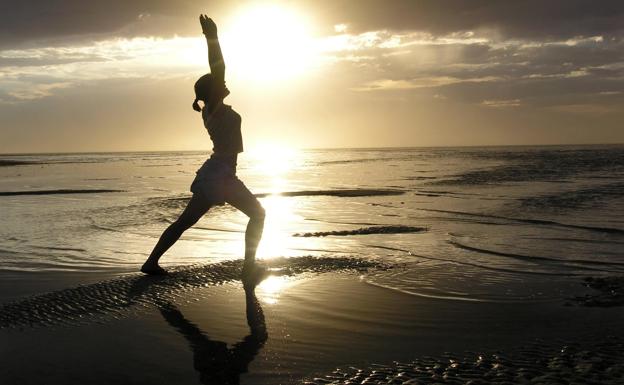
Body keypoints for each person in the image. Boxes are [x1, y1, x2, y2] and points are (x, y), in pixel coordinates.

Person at [141, 15, 266, 285]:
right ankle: (249, 268)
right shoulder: (215, 108)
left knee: (184, 222)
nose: (224, 83)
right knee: (258, 214)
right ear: (212, 92)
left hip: (213, 173)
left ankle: (151, 262)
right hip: (220, 174)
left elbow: (218, 75)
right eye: (219, 84)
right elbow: (218, 67)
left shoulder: (211, 110)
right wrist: (212, 37)